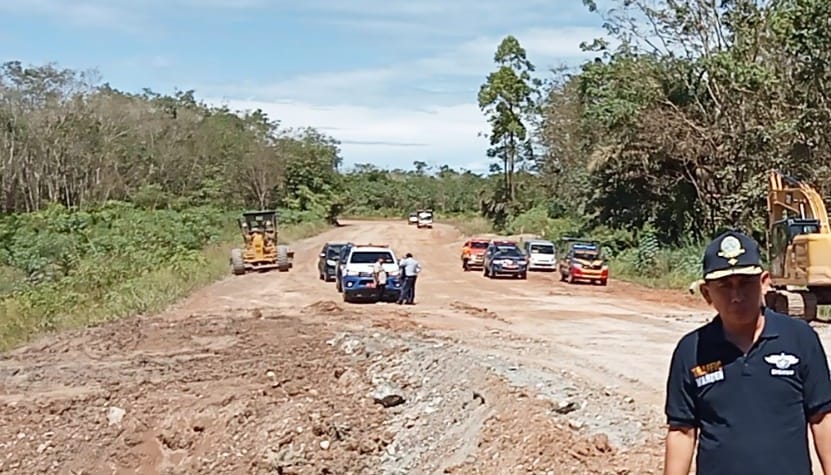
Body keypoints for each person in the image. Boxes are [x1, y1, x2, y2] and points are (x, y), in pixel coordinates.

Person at [664, 230, 831, 475]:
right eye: (724, 286)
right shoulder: (691, 350)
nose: (736, 296)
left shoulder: (800, 339)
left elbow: (823, 418)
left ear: (764, 283)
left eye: (745, 283)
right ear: (707, 293)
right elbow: (682, 431)